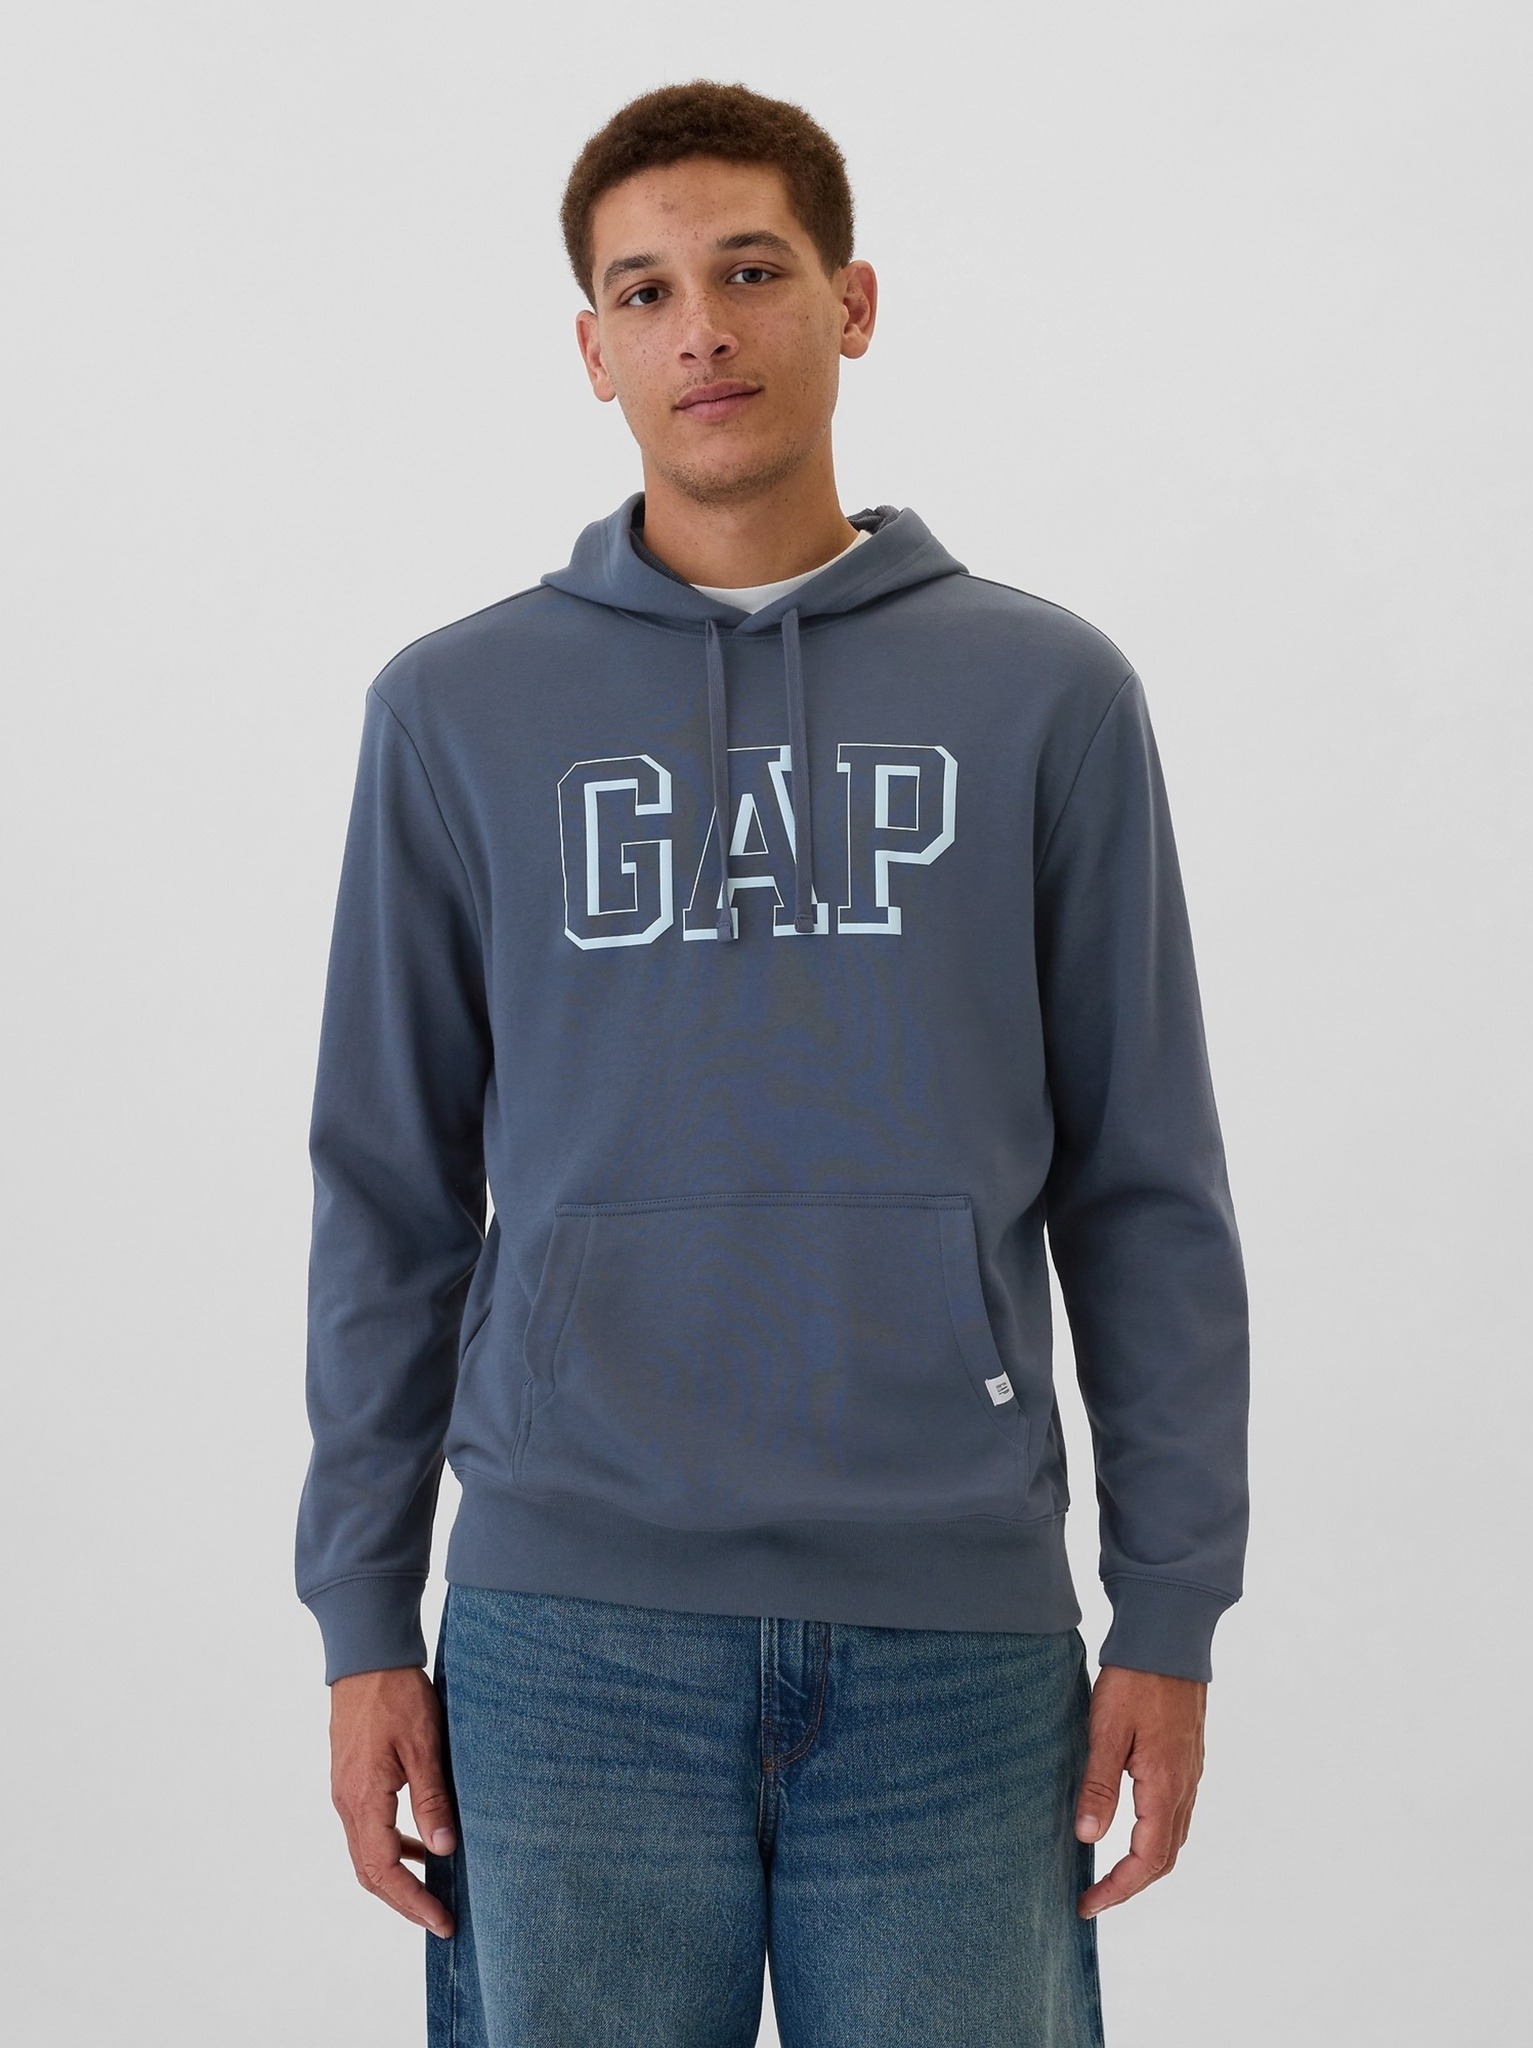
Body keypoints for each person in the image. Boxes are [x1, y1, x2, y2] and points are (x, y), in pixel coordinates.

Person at [296, 78, 1250, 2048]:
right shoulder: (457, 712)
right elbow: (389, 1194)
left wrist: (1170, 1609)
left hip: (953, 1639)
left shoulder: (1047, 695)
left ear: (853, 302)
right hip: (567, 1640)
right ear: (592, 349)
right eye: (645, 293)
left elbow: (1145, 1182)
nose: (702, 332)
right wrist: (362, 1617)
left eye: (751, 272)